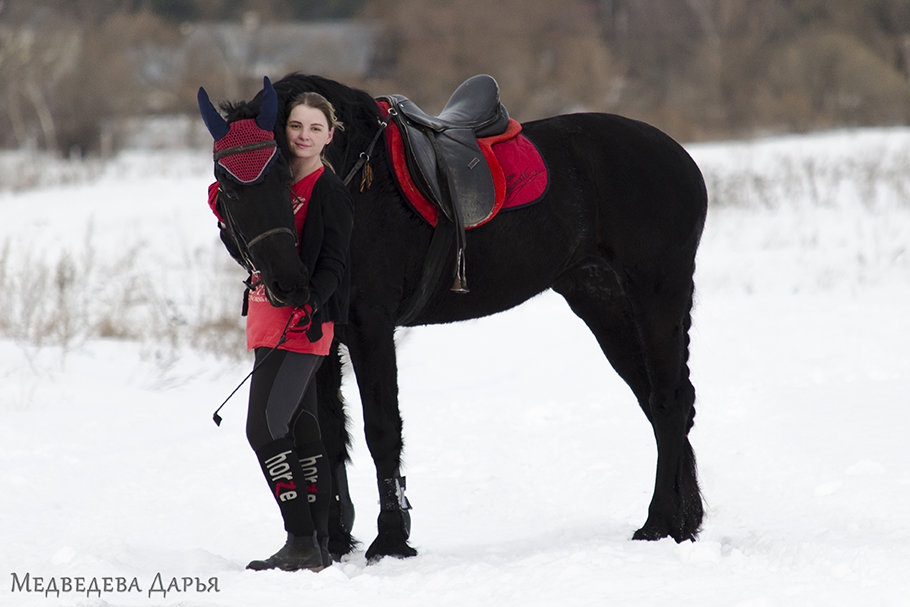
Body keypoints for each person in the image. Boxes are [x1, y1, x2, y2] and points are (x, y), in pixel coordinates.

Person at [209, 92, 353, 572]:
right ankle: (318, 539)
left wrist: (314, 303)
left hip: (305, 321)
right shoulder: (269, 177)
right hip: (269, 317)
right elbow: (251, 245)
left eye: (315, 128)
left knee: (264, 428)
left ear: (329, 136)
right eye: (296, 126)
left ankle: (300, 540)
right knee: (299, 427)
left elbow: (334, 261)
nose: (304, 136)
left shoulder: (327, 189)